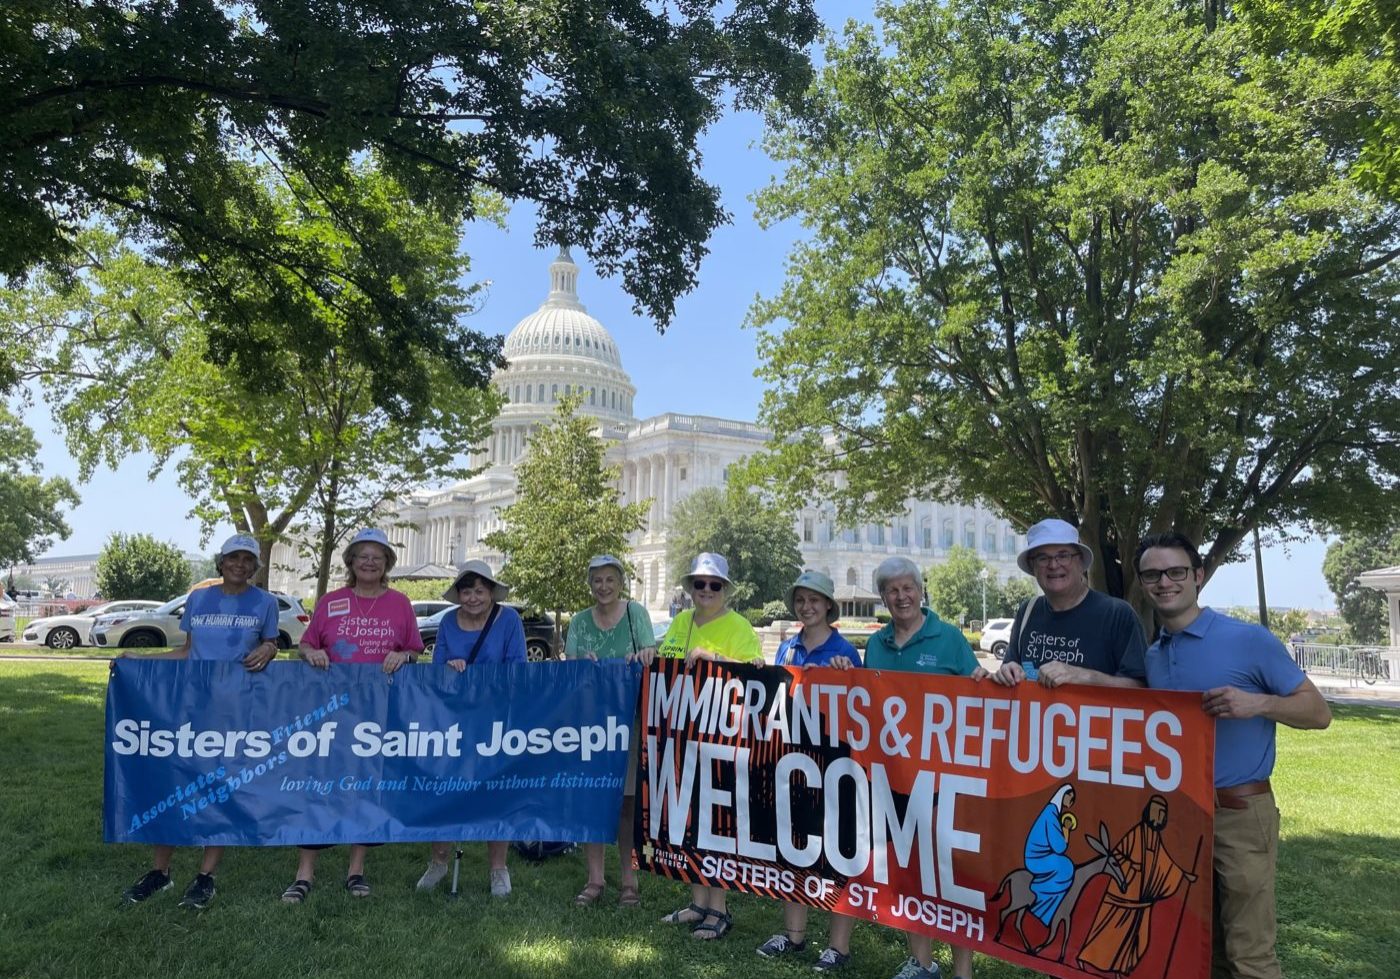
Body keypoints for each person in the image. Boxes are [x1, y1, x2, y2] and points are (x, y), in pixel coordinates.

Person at [1135, 533, 1330, 979]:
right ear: (1143, 583)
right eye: (1152, 574)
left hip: (1240, 812)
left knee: (1250, 954)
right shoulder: (1154, 653)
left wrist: (1257, 704)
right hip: (1181, 814)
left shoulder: (1248, 640)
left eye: (1176, 571)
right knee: (1201, 947)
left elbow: (1318, 712)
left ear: (1198, 576)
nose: (1164, 582)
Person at [838, 555, 987, 979]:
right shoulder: (878, 644)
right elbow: (868, 705)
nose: (901, 596)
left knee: (952, 875)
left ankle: (963, 970)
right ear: (882, 597)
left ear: (921, 591)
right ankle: (923, 962)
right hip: (894, 778)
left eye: (909, 588)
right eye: (892, 590)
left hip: (944, 777)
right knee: (911, 873)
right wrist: (845, 674)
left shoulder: (950, 638)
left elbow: (982, 698)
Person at [120, 533, 281, 910]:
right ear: (221, 562)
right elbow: (188, 652)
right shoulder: (198, 598)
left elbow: (270, 645)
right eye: (233, 558)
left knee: (219, 787)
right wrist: (139, 662)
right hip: (190, 707)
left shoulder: (265, 603)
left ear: (255, 566)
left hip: (235, 710)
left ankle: (206, 876)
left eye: (247, 560)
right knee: (175, 783)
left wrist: (269, 647)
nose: (240, 565)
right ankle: (160, 872)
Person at [281, 528, 423, 904]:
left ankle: (356, 870)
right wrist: (310, 653)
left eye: (378, 556)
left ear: (388, 563)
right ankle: (304, 873)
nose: (370, 562)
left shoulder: (400, 603)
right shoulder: (331, 601)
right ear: (351, 562)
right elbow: (308, 642)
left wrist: (404, 656)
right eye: (363, 555)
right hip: (330, 712)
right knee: (320, 784)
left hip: (378, 713)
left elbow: (415, 649)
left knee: (366, 786)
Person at [756, 570, 861, 964]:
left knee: (839, 854)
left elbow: (862, 707)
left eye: (814, 599)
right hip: (794, 761)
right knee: (794, 849)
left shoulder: (845, 652)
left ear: (829, 605)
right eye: (801, 600)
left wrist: (847, 677)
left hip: (835, 764)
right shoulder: (787, 650)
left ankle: (838, 948)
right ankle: (794, 936)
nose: (807, 606)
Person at [656, 552, 762, 941]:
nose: (705, 590)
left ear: (725, 590)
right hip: (683, 735)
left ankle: (719, 909)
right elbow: (667, 666)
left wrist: (715, 658)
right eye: (699, 584)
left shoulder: (739, 626)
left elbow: (757, 674)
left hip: (723, 740)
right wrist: (654, 656)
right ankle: (698, 902)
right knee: (691, 822)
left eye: (713, 585)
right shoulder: (681, 622)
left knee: (718, 826)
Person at [417, 560, 527, 898]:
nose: (473, 598)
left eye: (480, 590)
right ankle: (438, 862)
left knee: (497, 791)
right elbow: (437, 672)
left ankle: (498, 869)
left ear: (491, 592)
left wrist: (485, 681)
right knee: (447, 790)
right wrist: (453, 669)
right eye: (467, 591)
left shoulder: (508, 620)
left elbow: (518, 668)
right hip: (454, 720)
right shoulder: (448, 622)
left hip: (495, 720)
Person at [565, 554, 657, 908]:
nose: (603, 587)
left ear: (621, 583)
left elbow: (650, 653)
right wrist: (578, 666)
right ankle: (595, 879)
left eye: (609, 580)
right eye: (597, 580)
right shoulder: (579, 623)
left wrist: (643, 657)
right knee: (592, 800)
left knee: (626, 805)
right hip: (589, 728)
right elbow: (568, 670)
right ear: (590, 585)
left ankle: (629, 881)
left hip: (627, 724)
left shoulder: (636, 616)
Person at [992, 518, 1146, 689]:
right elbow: (1011, 672)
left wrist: (1085, 676)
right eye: (1043, 558)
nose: (1053, 565)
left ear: (1080, 562)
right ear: (1032, 565)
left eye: (1063, 555)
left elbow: (1140, 689)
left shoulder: (1117, 614)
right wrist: (1006, 673)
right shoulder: (1027, 612)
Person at [1077, 794, 1197, 975]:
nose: (1159, 816)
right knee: (1108, 935)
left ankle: (1122, 969)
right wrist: (1132, 867)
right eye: (1157, 812)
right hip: (1123, 895)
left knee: (1140, 940)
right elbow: (1117, 855)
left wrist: (1182, 874)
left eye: (1162, 813)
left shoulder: (1155, 838)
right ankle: (1084, 959)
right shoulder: (1137, 833)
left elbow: (1165, 862)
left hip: (1141, 901)